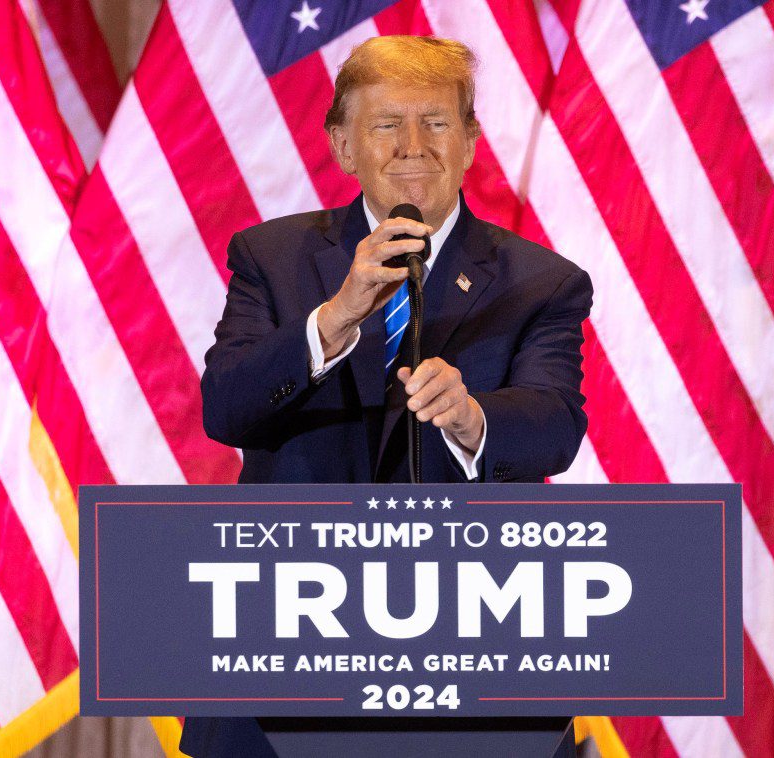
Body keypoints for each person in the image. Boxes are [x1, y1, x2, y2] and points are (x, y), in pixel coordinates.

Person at [180, 35, 593, 757]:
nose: (414, 146)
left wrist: (472, 419)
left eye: (436, 122)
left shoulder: (542, 281)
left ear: (468, 141)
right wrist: (333, 318)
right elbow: (226, 408)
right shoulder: (270, 260)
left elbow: (556, 425)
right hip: (287, 654)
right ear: (343, 145)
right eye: (385, 125)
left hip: (469, 661)